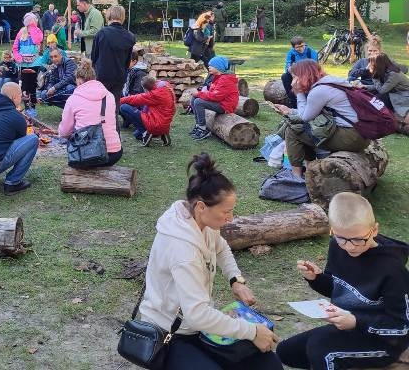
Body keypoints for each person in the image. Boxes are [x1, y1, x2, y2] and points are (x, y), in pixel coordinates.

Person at [136, 152, 283, 370]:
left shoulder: (199, 223)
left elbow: (221, 247)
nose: (230, 218)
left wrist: (235, 280)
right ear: (201, 207)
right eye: (226, 212)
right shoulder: (183, 251)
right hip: (170, 333)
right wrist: (251, 331)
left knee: (266, 363)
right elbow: (197, 315)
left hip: (196, 325)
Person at [276, 192, 409, 370]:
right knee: (286, 351)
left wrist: (356, 321)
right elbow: (337, 289)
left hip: (383, 343)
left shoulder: (392, 270)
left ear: (374, 230)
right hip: (346, 327)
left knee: (320, 350)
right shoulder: (337, 246)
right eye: (341, 238)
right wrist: (316, 279)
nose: (349, 246)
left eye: (358, 239)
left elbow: (401, 326)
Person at [271, 59, 371, 178]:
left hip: (351, 137)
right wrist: (290, 111)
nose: (293, 81)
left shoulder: (319, 91)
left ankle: (296, 176)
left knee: (293, 130)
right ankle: (310, 169)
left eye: (294, 77)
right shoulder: (330, 81)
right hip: (361, 135)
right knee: (303, 129)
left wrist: (299, 93)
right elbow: (311, 113)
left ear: (302, 76)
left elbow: (305, 117)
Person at [59, 59, 123, 167]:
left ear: (79, 81)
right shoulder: (109, 96)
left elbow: (65, 132)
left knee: (73, 141)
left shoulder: (73, 99)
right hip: (114, 153)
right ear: (94, 78)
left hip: (87, 156)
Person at [91, 4, 135, 109]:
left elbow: (94, 57)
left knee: (101, 106)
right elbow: (127, 61)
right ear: (123, 16)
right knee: (114, 106)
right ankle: (113, 125)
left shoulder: (101, 34)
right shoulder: (130, 36)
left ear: (108, 15)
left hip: (102, 75)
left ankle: (102, 124)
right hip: (119, 75)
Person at [189, 56, 239, 141]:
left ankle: (203, 129)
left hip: (226, 106)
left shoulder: (225, 80)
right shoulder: (217, 77)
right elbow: (213, 93)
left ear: (218, 67)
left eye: (211, 66)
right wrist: (200, 92)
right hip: (220, 102)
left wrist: (199, 94)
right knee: (195, 98)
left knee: (198, 101)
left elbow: (216, 96)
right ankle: (198, 125)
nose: (208, 67)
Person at [119, 75, 176, 146]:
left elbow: (136, 98)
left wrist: (118, 100)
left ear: (145, 88)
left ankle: (146, 132)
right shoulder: (164, 85)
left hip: (156, 124)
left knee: (124, 107)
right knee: (136, 134)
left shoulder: (155, 94)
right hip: (165, 122)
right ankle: (154, 133)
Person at [12, 12, 44, 111]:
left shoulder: (38, 31)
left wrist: (33, 28)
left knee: (32, 84)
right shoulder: (21, 32)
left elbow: (37, 40)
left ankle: (33, 106)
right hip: (22, 63)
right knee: (24, 84)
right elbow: (15, 47)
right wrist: (17, 57)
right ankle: (26, 106)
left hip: (34, 62)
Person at [364, 53, 409, 122]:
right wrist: (364, 87)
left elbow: (382, 90)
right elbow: (382, 87)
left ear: (378, 64)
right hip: (393, 93)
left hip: (402, 97)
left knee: (377, 99)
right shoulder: (387, 71)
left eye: (371, 63)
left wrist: (374, 76)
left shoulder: (393, 74)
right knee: (372, 96)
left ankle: (373, 116)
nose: (369, 66)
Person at [281, 36, 318, 108]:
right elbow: (287, 67)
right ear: (293, 47)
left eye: (302, 46)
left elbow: (315, 67)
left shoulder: (311, 52)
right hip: (296, 74)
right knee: (284, 77)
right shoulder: (291, 53)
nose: (301, 48)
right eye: (298, 47)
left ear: (304, 44)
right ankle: (293, 101)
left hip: (309, 74)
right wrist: (292, 72)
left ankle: (310, 101)